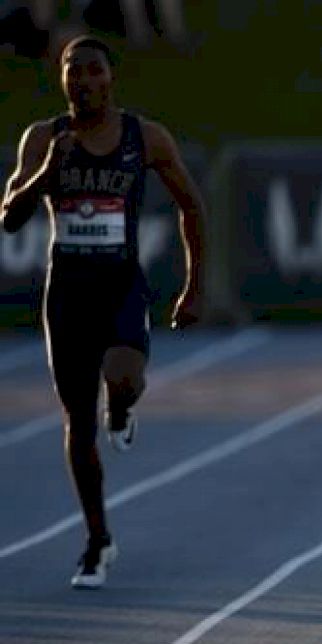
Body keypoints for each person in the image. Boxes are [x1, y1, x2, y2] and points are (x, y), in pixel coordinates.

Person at [0, 35, 204, 589]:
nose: (82, 82)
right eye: (72, 73)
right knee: (77, 423)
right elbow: (9, 218)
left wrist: (194, 286)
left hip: (120, 287)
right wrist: (45, 173)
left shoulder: (146, 137)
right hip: (66, 293)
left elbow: (192, 205)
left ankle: (122, 407)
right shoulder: (43, 138)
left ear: (110, 78)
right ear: (62, 81)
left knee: (124, 377)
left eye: (92, 71)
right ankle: (97, 539)